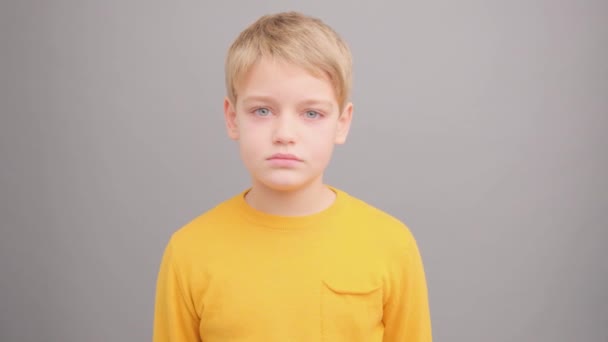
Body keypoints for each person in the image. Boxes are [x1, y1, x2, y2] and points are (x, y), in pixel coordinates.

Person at [153, 11, 432, 342]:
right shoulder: (189, 251)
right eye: (262, 111)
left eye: (311, 113)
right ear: (232, 118)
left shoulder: (391, 244)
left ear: (342, 123)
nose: (285, 133)